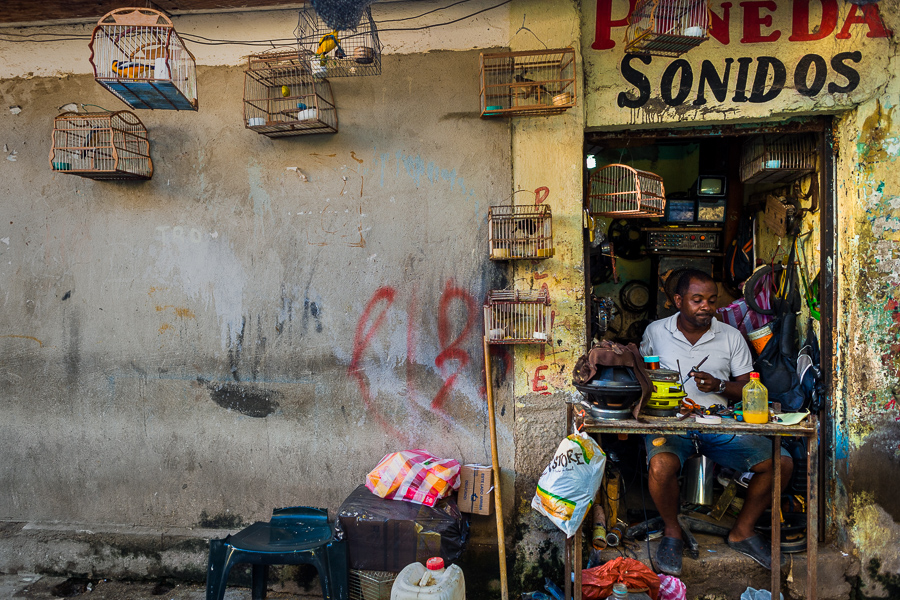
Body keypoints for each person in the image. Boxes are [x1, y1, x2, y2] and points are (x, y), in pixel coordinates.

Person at [640, 269, 793, 576]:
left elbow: (748, 384)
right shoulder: (656, 332)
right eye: (697, 300)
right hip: (672, 425)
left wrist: (719, 386)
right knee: (661, 465)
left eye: (711, 300)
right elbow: (640, 377)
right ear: (678, 301)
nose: (706, 307)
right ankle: (672, 531)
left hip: (718, 425)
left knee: (780, 462)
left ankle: (743, 531)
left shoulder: (730, 336)